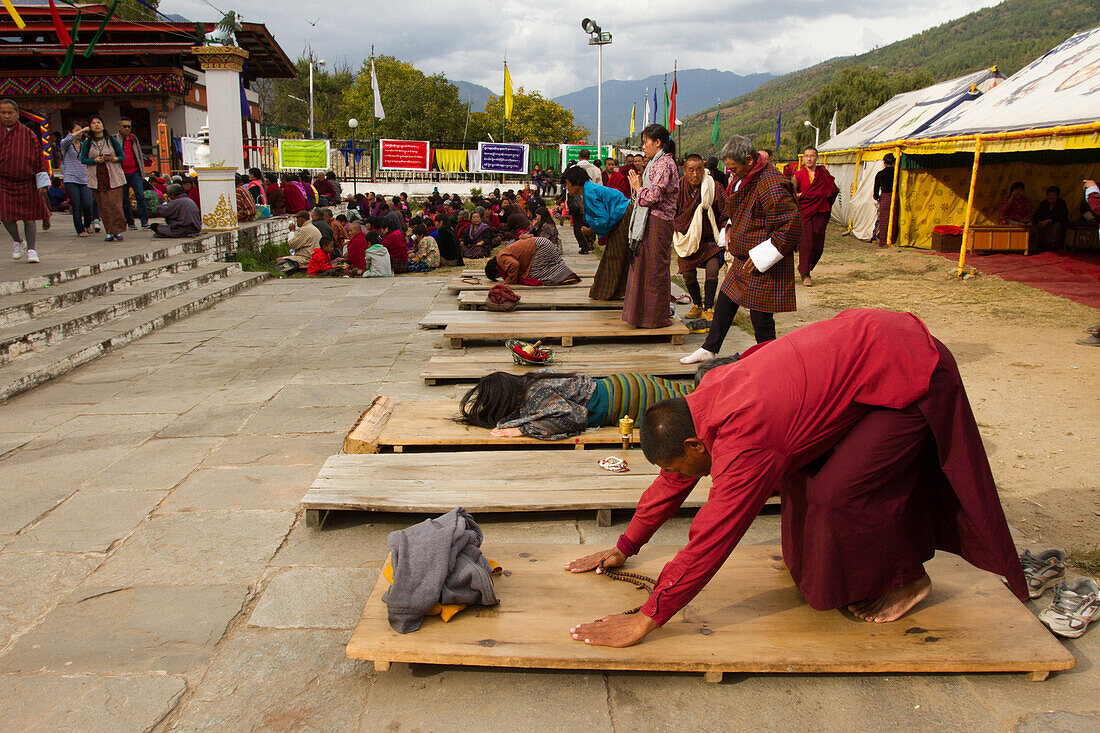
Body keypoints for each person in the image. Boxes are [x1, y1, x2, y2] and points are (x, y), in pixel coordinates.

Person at [565, 309, 1029, 647]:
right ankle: (832, 574)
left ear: (694, 446)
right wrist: (626, 545)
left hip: (908, 367)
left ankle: (906, 579)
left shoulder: (747, 436)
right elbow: (673, 481)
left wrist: (649, 616)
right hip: (868, 352)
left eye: (675, 465)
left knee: (837, 492)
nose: (675, 477)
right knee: (804, 476)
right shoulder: (703, 403)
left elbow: (713, 535)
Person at [681, 135, 800, 365]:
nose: (732, 173)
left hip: (761, 259)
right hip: (744, 256)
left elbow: (791, 226)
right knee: (726, 298)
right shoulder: (746, 177)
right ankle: (709, 348)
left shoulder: (771, 183)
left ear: (748, 160)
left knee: (761, 317)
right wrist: (729, 231)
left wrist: (763, 257)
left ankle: (773, 362)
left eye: (734, 168)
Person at [459, 370, 694, 440]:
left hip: (629, 400)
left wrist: (522, 430)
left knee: (692, 410)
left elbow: (573, 416)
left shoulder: (535, 394)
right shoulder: (531, 380)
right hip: (625, 381)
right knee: (690, 394)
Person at [623, 124, 680, 328]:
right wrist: (638, 189)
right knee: (644, 267)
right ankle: (642, 316)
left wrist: (638, 188)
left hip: (658, 221)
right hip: (651, 221)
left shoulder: (664, 164)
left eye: (646, 142)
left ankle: (654, 318)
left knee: (654, 269)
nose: (643, 147)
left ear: (658, 143)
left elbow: (653, 196)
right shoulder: (657, 162)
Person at [563, 166, 631, 300]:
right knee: (617, 254)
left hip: (622, 215)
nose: (567, 187)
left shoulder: (590, 193)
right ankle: (615, 291)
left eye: (568, 183)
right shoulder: (589, 190)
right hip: (620, 215)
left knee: (615, 255)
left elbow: (603, 219)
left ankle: (607, 292)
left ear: (576, 182)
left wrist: (591, 230)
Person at [674, 154, 728, 320]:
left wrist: (726, 230)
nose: (695, 174)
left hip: (709, 239)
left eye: (698, 170)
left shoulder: (714, 187)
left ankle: (709, 307)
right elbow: (672, 211)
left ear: (703, 170)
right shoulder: (678, 187)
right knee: (688, 275)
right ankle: (697, 305)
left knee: (712, 272)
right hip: (687, 238)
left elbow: (725, 213)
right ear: (685, 171)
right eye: (691, 170)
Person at [0, 99, 51, 263]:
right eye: (3, 113)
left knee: (29, 217)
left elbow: (39, 158)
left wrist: (42, 180)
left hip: (27, 180)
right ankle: (18, 240)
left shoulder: (28, 134)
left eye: (10, 112)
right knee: (5, 216)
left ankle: (31, 249)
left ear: (17, 114)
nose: (6, 116)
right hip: (3, 181)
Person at [791, 147, 838, 287]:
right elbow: (791, 194)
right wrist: (801, 196)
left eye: (812, 156)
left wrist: (824, 199)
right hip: (805, 213)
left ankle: (805, 267)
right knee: (807, 243)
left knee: (818, 245)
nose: (809, 159)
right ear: (803, 158)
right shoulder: (798, 175)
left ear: (817, 158)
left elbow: (833, 190)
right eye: (806, 156)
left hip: (821, 212)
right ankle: (805, 274)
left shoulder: (823, 173)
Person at [80, 115, 127, 242]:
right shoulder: (87, 143)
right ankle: (110, 231)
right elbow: (83, 159)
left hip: (113, 176)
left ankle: (118, 230)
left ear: (103, 125)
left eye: (98, 122)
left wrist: (113, 159)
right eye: (93, 123)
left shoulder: (111, 140)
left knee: (115, 205)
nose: (96, 125)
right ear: (90, 126)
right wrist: (94, 160)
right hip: (97, 177)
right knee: (104, 206)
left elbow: (122, 156)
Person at [485, 234, 579, 286]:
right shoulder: (502, 253)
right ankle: (565, 273)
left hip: (541, 246)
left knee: (533, 275)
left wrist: (510, 279)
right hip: (543, 243)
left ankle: (564, 277)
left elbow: (514, 265)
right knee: (552, 264)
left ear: (496, 269)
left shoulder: (501, 258)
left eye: (498, 275)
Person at [59, 120, 95, 237]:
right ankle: (80, 229)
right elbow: (67, 140)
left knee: (88, 203)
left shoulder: (85, 145)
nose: (79, 133)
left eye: (80, 130)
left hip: (84, 178)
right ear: (70, 132)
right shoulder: (66, 145)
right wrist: (83, 129)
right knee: (76, 205)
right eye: (76, 130)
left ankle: (88, 223)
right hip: (70, 178)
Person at [115, 117, 148, 231]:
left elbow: (139, 154)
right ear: (119, 127)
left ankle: (144, 221)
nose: (127, 129)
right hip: (121, 173)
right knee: (125, 199)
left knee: (140, 195)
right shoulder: (115, 139)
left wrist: (142, 172)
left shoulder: (133, 139)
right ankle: (130, 222)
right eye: (125, 126)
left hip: (134, 171)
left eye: (129, 126)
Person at [1031, 185, 1069, 251]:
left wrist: (1050, 220)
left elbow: (1062, 216)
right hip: (1044, 223)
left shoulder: (1061, 204)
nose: (1051, 197)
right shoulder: (1044, 204)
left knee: (1056, 226)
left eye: (1054, 195)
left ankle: (1052, 244)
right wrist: (1040, 222)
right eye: (1050, 195)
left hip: (1055, 222)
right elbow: (1037, 215)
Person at [873, 153, 898, 246]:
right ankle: (893, 240)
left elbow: (876, 190)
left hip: (885, 197)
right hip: (895, 196)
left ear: (884, 162)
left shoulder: (880, 174)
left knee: (884, 219)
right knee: (894, 218)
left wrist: (877, 198)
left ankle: (883, 240)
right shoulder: (897, 173)